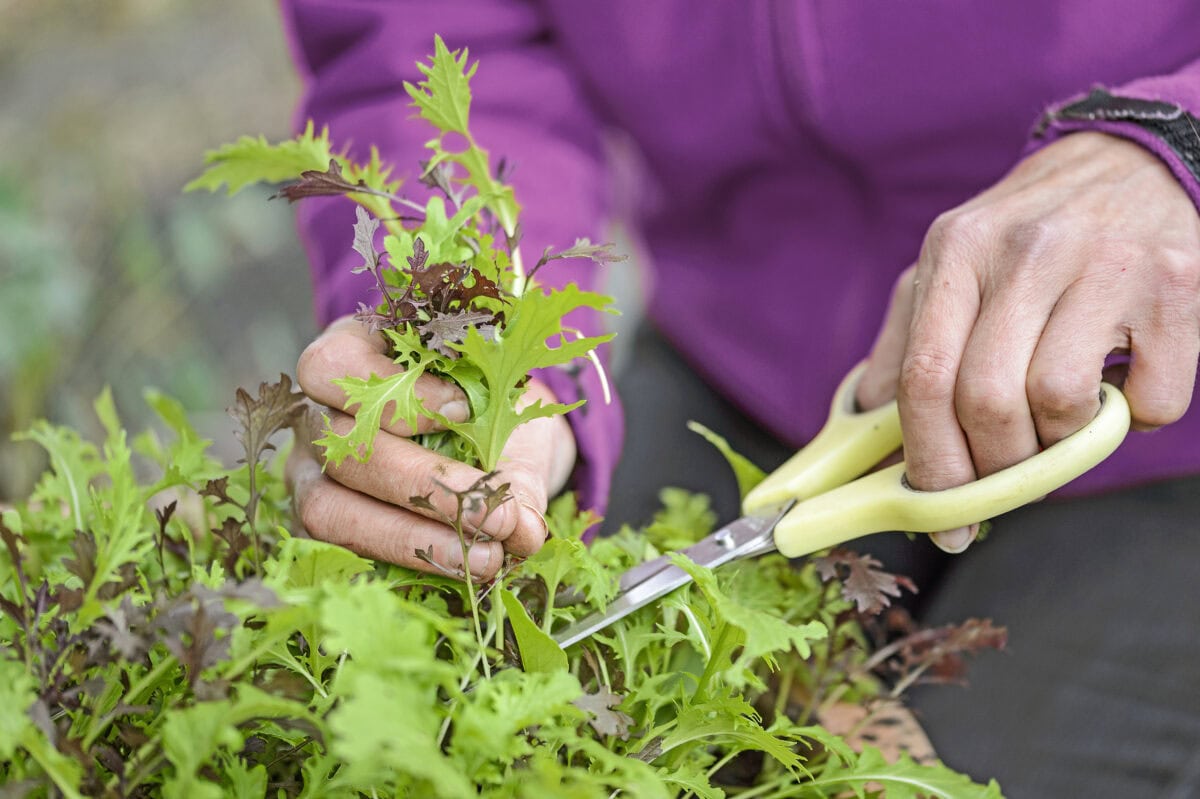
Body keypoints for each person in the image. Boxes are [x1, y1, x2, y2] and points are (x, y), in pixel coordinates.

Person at [279, 3, 1200, 796]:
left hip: (1165, 414)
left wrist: (1176, 142)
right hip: (742, 345)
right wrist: (474, 339)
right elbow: (426, 37)